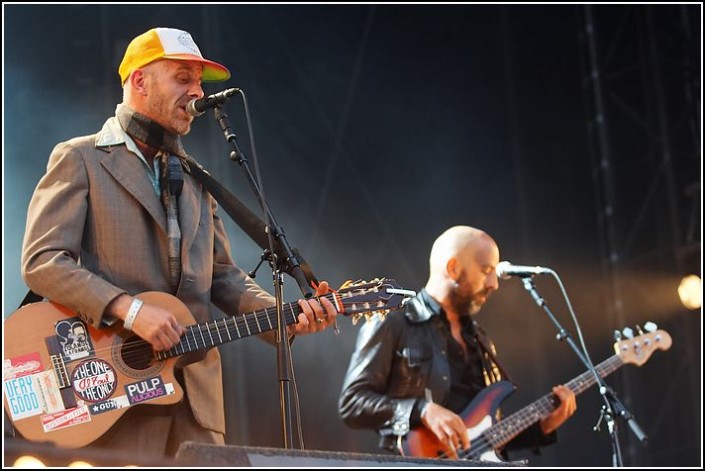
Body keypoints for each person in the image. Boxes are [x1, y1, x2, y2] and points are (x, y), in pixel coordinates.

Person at [20, 27, 338, 457]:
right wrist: (130, 310)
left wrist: (285, 317)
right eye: (182, 78)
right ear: (140, 81)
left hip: (197, 406)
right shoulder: (81, 158)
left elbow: (222, 275)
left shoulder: (195, 177)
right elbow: (43, 260)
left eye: (199, 83)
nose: (195, 92)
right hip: (113, 397)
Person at [338, 225, 576, 461]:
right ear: (453, 268)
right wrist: (422, 410)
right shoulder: (394, 321)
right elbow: (353, 402)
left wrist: (542, 428)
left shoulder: (480, 339)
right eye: (486, 270)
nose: (494, 283)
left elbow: (486, 438)